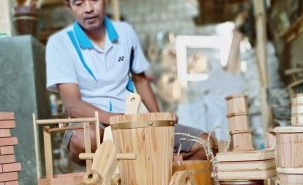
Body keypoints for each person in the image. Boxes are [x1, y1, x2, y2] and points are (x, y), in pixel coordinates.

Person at [46, 0, 215, 164]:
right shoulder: (60, 43)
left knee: (206, 145)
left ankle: (151, 164)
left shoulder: (125, 32)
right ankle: (145, 160)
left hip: (134, 121)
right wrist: (122, 120)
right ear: (68, 6)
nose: (89, 8)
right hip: (93, 123)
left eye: (95, 0)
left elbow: (140, 80)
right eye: (79, 3)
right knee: (85, 140)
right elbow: (73, 106)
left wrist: (159, 120)